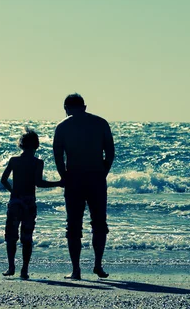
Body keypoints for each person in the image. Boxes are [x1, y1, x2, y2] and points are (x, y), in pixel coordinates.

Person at [53, 93, 115, 280]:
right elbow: (110, 152)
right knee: (99, 224)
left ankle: (76, 270)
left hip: (74, 179)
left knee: (73, 226)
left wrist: (64, 176)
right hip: (96, 178)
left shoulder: (63, 126)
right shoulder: (101, 123)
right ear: (84, 107)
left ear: (66, 108)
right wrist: (103, 172)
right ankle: (98, 265)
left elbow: (58, 155)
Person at [1, 128, 63, 280]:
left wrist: (12, 191)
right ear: (37, 146)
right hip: (29, 203)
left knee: (11, 237)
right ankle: (24, 270)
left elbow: (3, 180)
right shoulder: (38, 162)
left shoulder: (14, 161)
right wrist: (58, 183)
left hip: (15, 202)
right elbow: (39, 183)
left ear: (20, 145)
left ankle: (11, 267)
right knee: (26, 238)